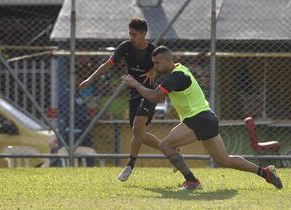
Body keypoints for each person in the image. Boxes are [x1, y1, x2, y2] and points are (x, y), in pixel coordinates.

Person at [121, 45, 283, 190]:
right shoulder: (179, 71)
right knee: (223, 160)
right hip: (206, 118)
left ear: (167, 61)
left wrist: (136, 85)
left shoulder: (176, 76)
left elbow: (156, 96)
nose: (154, 66)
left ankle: (192, 181)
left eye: (157, 63)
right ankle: (265, 172)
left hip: (198, 119)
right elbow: (161, 95)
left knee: (166, 146)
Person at [79, 17, 168, 181]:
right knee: (138, 133)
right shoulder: (125, 47)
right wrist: (90, 79)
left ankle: (129, 165)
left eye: (134, 34)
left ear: (143, 35)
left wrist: (155, 69)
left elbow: (167, 64)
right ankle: (169, 149)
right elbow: (107, 65)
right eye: (129, 33)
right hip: (134, 93)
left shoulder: (153, 51)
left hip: (149, 93)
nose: (131, 37)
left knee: (137, 125)